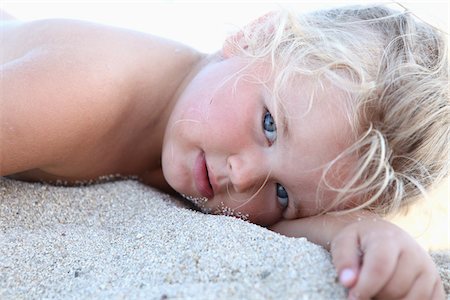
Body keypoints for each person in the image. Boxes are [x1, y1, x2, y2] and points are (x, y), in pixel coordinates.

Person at [1, 3, 447, 299]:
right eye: (269, 125)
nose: (246, 175)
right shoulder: (88, 91)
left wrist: (358, 229)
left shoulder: (195, 137)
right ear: (257, 34)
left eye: (284, 196)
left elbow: (277, 232)